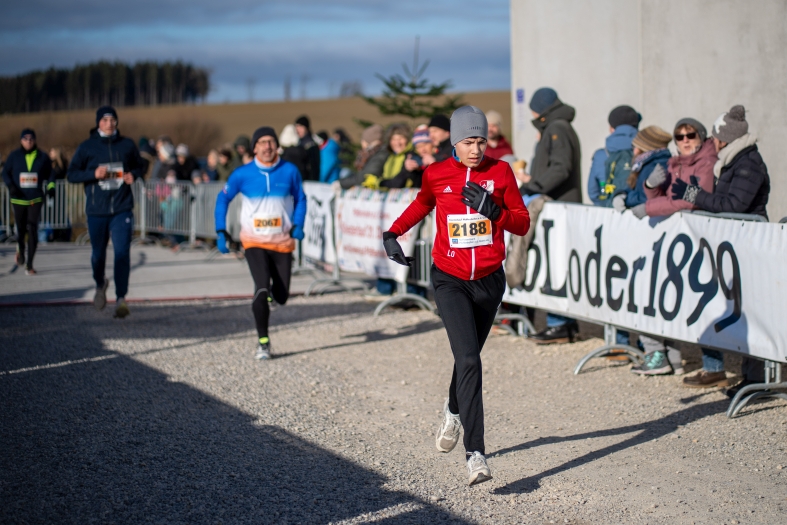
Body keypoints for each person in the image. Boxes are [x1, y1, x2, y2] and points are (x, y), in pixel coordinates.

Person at [383, 106, 530, 486]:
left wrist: (493, 211)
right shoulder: (436, 173)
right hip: (449, 278)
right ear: (454, 141)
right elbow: (422, 203)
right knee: (468, 359)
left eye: (481, 141)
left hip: (489, 280)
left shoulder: (501, 172)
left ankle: (452, 410)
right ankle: (475, 454)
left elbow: (521, 222)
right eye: (468, 142)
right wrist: (393, 233)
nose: (476, 149)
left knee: (469, 358)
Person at [670, 106, 769, 390]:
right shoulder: (732, 160)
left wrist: (694, 194)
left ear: (724, 138)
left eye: (715, 136)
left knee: (749, 310)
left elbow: (733, 205)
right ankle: (721, 370)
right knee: (713, 302)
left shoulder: (748, 164)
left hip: (748, 245)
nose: (712, 141)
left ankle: (756, 379)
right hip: (731, 245)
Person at [627, 118, 716, 376]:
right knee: (666, 297)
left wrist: (649, 207)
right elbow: (669, 197)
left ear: (701, 136)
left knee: (702, 302)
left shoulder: (706, 163)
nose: (685, 140)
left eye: (690, 135)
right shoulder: (674, 163)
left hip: (699, 240)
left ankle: (714, 368)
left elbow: (690, 201)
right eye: (680, 136)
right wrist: (651, 187)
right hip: (674, 240)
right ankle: (673, 358)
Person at [214, 126, 307, 360]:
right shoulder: (242, 174)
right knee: (262, 287)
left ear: (277, 146)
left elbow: (301, 198)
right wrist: (221, 231)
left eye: (271, 142)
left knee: (282, 296)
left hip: (282, 242)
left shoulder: (289, 171)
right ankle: (263, 342)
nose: (267, 146)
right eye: (262, 142)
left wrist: (298, 223)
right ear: (254, 148)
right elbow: (222, 199)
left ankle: (272, 297)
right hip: (253, 241)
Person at [67, 106, 143, 317]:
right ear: (98, 123)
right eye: (105, 120)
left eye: (112, 120)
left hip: (122, 208)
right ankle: (100, 284)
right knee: (98, 255)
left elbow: (139, 166)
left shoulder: (127, 144)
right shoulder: (87, 147)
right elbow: (71, 174)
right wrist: (93, 174)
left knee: (122, 253)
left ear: (117, 122)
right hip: (97, 210)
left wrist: (133, 175)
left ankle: (121, 299)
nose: (109, 124)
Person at [519, 87, 582, 343]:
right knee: (551, 262)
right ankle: (563, 323)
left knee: (555, 264)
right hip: (554, 205)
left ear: (541, 109)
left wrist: (533, 187)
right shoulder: (556, 126)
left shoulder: (557, 128)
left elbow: (561, 167)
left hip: (559, 206)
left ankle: (560, 323)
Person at [2, 129, 54, 275]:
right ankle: (21, 249)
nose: (28, 141)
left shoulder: (42, 156)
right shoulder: (14, 156)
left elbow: (51, 173)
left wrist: (51, 187)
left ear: (35, 140)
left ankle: (29, 264)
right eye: (25, 139)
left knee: (32, 229)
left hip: (35, 198)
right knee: (21, 229)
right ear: (21, 140)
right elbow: (5, 173)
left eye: (31, 139)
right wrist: (11, 186)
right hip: (18, 198)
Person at [587, 105, 640, 206]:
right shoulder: (645, 153)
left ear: (611, 128)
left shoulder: (600, 155)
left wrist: (606, 205)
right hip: (638, 210)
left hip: (607, 210)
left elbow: (592, 192)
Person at [611, 125, 673, 212]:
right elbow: (637, 188)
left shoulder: (654, 167)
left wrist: (626, 200)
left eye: (636, 146)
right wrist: (622, 193)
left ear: (645, 148)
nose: (634, 151)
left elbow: (645, 198)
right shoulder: (645, 163)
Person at [338, 124, 388, 190]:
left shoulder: (379, 154)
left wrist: (341, 183)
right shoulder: (372, 154)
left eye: (364, 140)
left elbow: (364, 177)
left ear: (369, 141)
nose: (362, 143)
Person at [294, 115, 321, 181]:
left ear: (306, 128)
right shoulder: (298, 142)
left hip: (308, 181)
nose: (298, 130)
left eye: (300, 126)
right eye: (296, 127)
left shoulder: (311, 145)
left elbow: (314, 168)